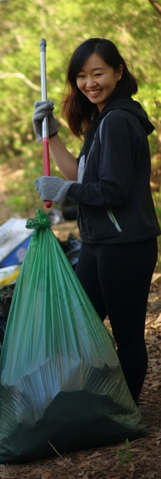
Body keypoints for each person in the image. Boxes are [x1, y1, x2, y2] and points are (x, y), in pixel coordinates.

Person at [32, 37, 160, 404]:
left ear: (119, 72)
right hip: (99, 241)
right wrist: (51, 136)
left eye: (98, 73)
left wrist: (65, 191)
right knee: (76, 323)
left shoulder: (119, 120)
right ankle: (92, 400)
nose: (90, 83)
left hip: (126, 245)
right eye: (82, 76)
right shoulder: (103, 119)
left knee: (128, 335)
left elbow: (112, 191)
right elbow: (82, 176)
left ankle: (126, 413)